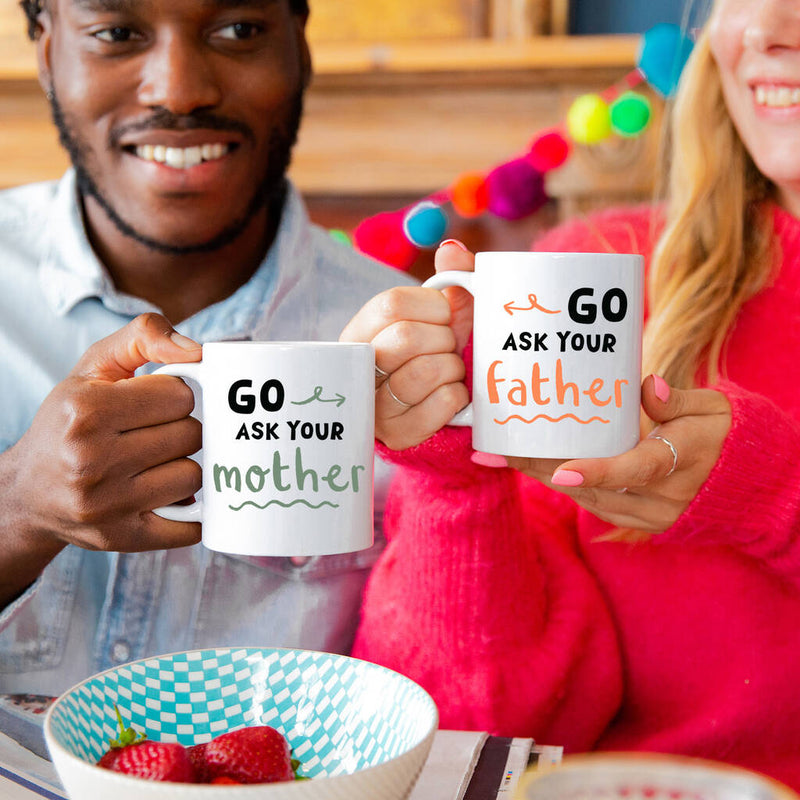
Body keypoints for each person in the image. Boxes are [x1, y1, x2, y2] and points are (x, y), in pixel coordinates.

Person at [341, 0, 800, 790]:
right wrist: (456, 479)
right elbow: (465, 736)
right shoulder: (599, 268)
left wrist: (778, 494)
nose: (764, 27)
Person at [0, 0, 415, 695]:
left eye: (240, 31)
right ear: (46, 52)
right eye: (117, 34)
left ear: (299, 49)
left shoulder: (403, 350)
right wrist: (17, 509)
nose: (180, 89)